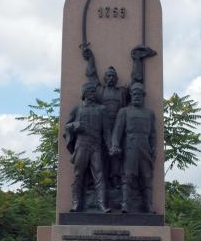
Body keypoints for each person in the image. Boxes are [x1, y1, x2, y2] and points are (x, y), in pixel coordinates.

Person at [83, 44, 156, 189]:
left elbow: (136, 81)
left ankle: (117, 180)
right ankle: (98, 183)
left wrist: (137, 61)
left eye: (113, 76)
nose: (110, 78)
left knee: (118, 156)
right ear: (105, 78)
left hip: (120, 127)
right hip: (102, 128)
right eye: (108, 75)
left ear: (116, 79)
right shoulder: (99, 91)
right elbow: (91, 77)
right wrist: (90, 58)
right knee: (102, 155)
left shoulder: (122, 92)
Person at [64, 81, 111, 213]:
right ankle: (76, 203)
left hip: (96, 146)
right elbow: (66, 127)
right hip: (81, 145)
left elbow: (107, 132)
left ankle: (102, 204)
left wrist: (110, 147)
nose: (93, 94)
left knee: (99, 175)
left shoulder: (101, 109)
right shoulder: (77, 109)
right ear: (84, 93)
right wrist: (75, 126)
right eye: (90, 92)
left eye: (94, 92)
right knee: (79, 174)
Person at [111, 82, 156, 214]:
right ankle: (125, 204)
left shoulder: (149, 113)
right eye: (134, 94)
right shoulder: (124, 112)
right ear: (130, 95)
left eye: (139, 94)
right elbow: (117, 132)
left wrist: (154, 147)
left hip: (145, 147)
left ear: (143, 96)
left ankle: (148, 205)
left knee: (146, 176)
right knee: (128, 175)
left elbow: (153, 134)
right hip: (130, 146)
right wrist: (115, 145)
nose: (136, 96)